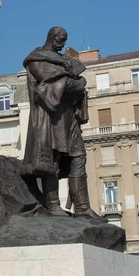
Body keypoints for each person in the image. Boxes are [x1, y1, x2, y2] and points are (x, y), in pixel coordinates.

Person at [23, 27, 104, 222]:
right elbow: (61, 84)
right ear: (51, 38)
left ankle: (83, 207)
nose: (63, 44)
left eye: (64, 40)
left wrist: (76, 82)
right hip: (52, 118)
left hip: (71, 117)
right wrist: (78, 83)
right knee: (53, 159)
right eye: (60, 40)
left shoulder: (63, 60)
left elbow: (71, 81)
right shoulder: (36, 59)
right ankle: (52, 205)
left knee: (79, 157)